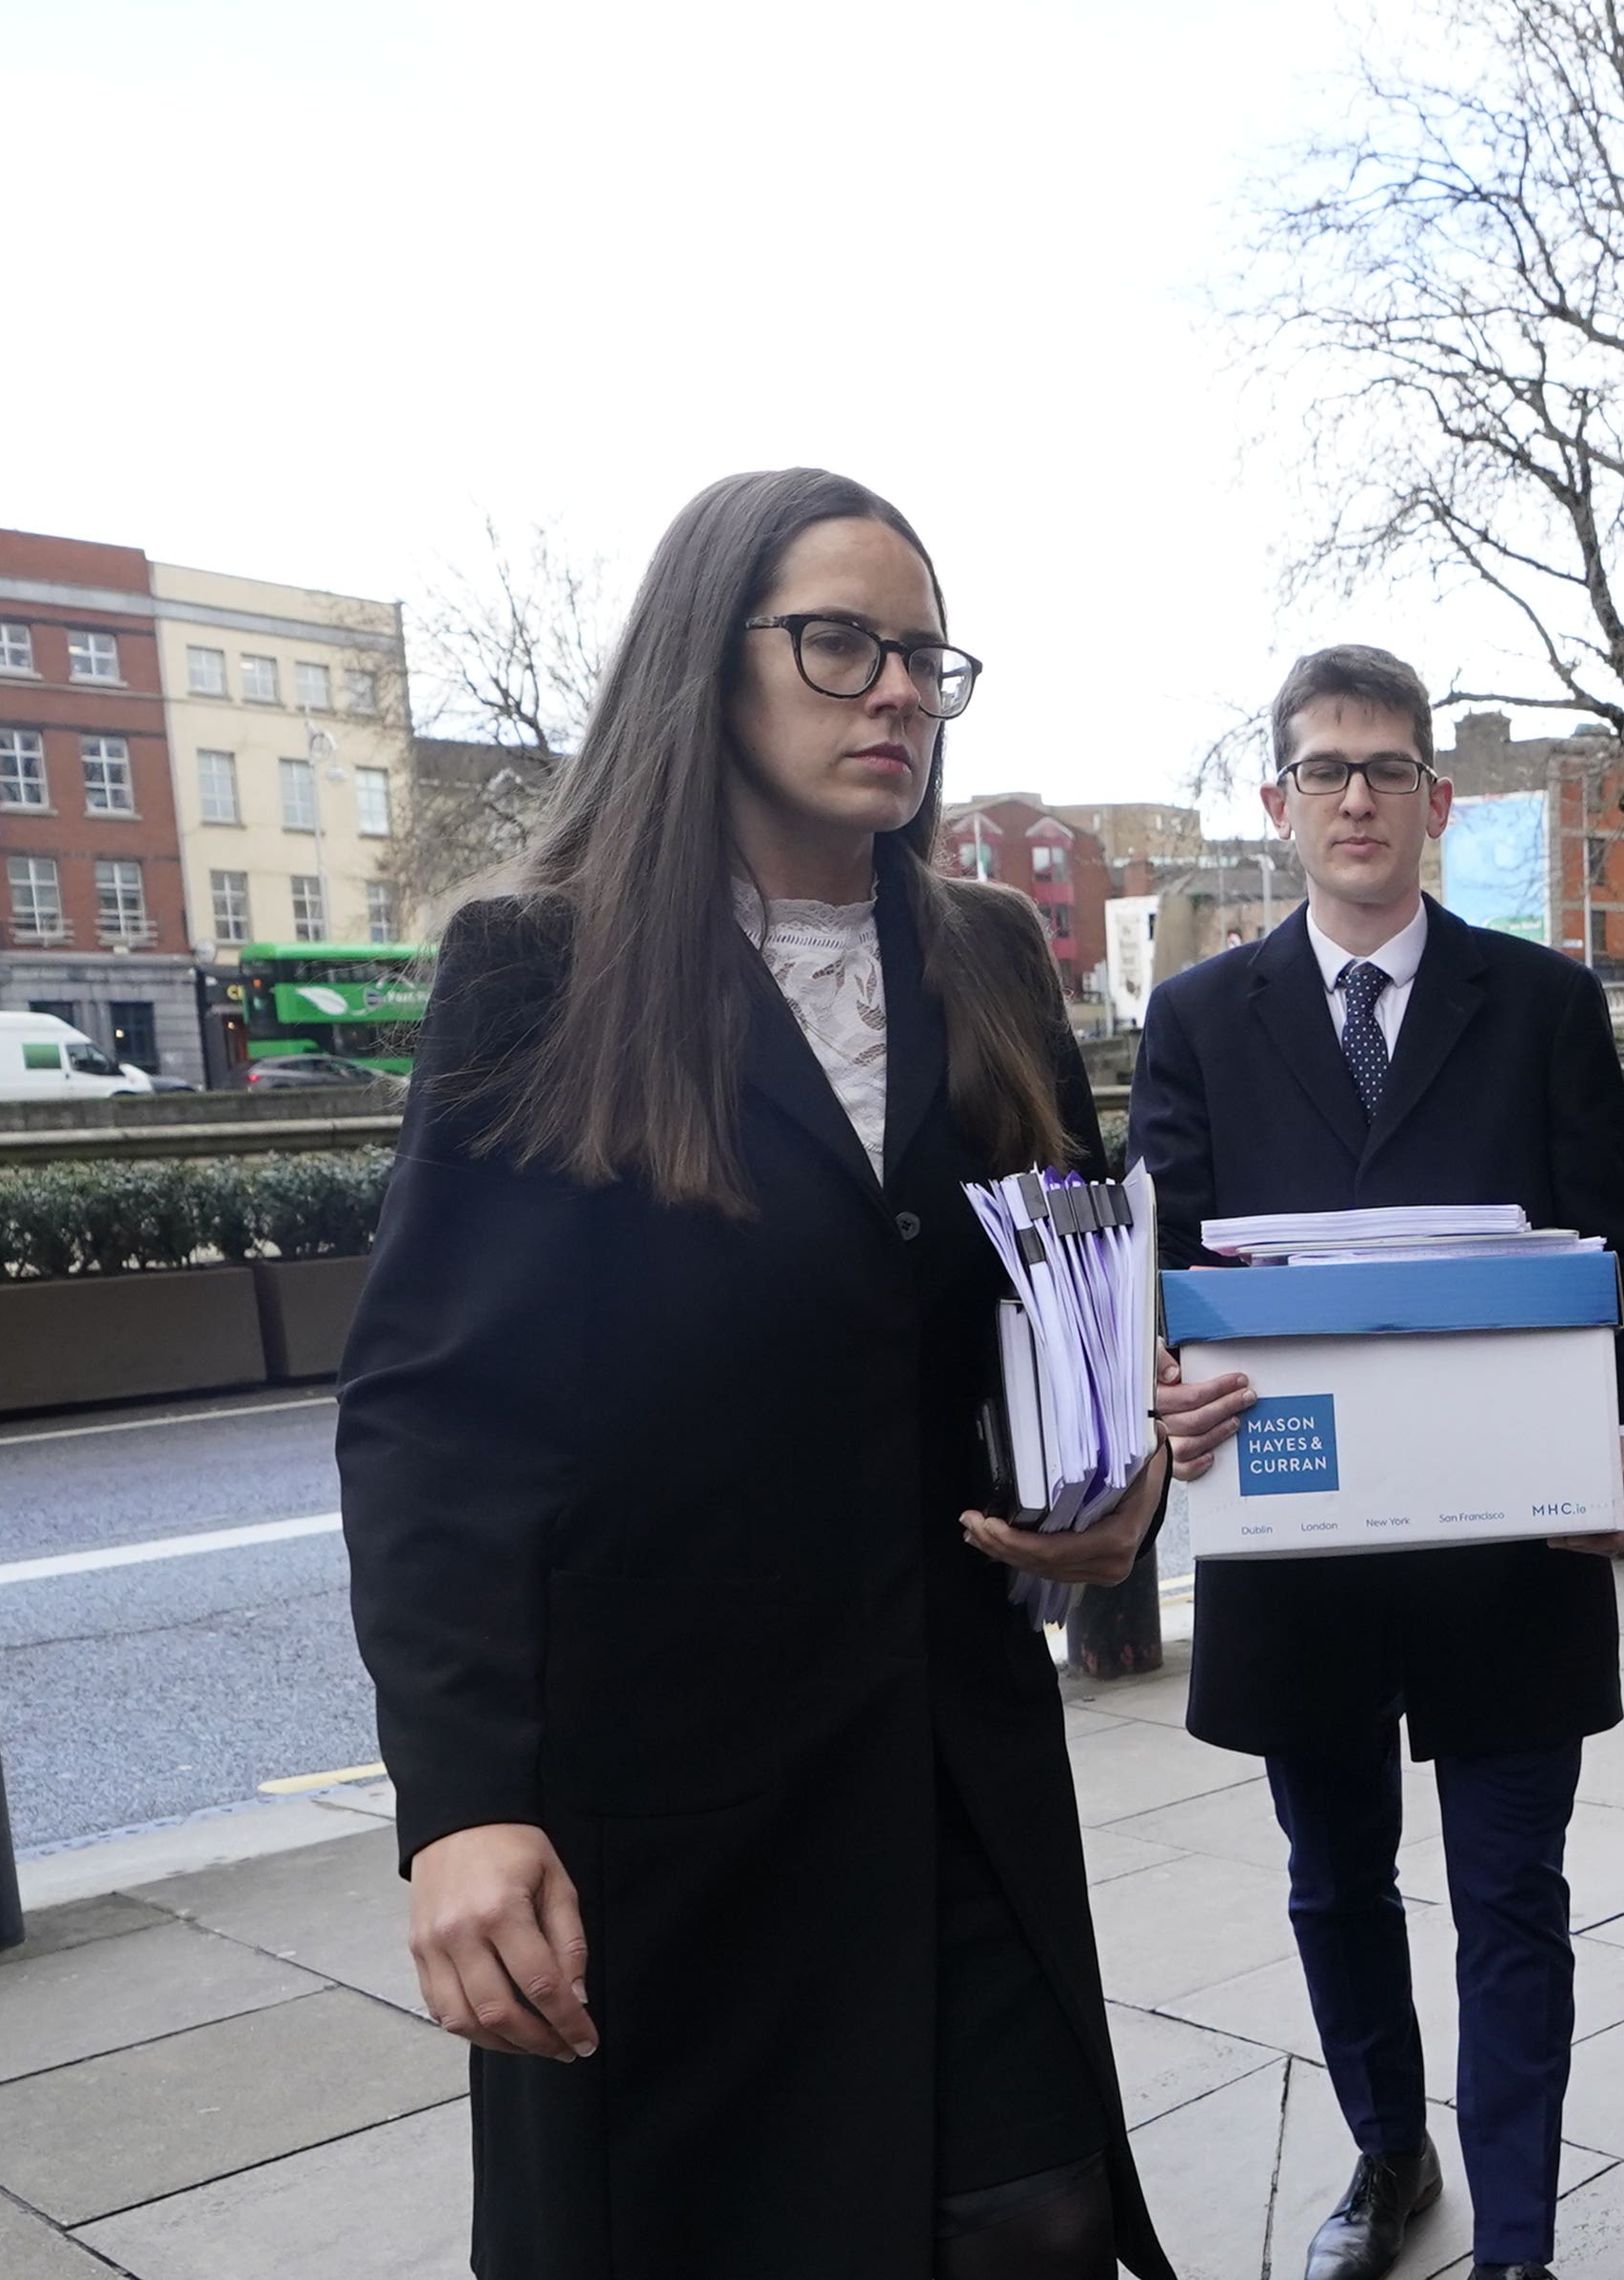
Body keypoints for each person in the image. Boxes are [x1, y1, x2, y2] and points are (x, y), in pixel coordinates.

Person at [338, 467, 1174, 2280]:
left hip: (946, 1756)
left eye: (922, 660)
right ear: (708, 667)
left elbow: (1055, 1312)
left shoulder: (991, 963)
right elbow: (434, 1420)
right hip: (664, 1793)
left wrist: (1119, 1490)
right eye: (839, 645)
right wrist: (463, 1805)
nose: (892, 691)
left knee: (1034, 2219)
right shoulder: (542, 969)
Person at [1134, 645, 1624, 2280]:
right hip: (1301, 1536)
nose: (1354, 797)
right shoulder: (1196, 1022)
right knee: (1335, 1881)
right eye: (1322, 769)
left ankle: (1514, 2236)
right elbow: (1159, 1279)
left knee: (1513, 1900)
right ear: (1276, 801)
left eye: (1384, 769)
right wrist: (1157, 1387)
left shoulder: (1548, 1006)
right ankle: (1385, 2157)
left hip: (1510, 1550)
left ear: (1436, 802)